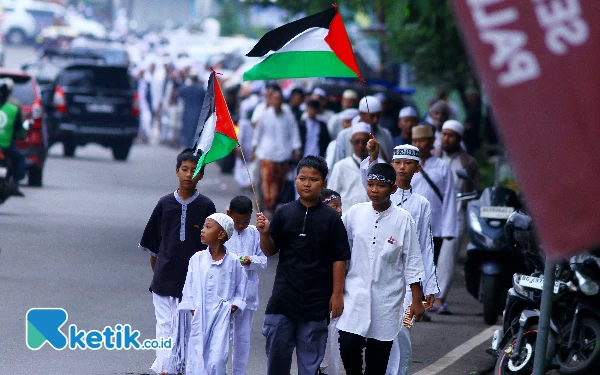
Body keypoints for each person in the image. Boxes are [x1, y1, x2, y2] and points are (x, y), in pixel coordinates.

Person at [256, 156, 351, 375]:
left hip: (316, 301)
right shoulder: (284, 212)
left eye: (313, 179)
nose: (306, 184)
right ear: (296, 179)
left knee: (310, 362)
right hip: (283, 298)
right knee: (277, 356)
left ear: (323, 184)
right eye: (302, 178)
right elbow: (270, 250)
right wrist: (264, 234)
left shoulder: (331, 219)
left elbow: (340, 257)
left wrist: (337, 295)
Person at [336, 162, 425, 375]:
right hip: (354, 294)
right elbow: (339, 254)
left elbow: (412, 260)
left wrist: (416, 300)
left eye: (381, 186)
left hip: (386, 298)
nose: (374, 190)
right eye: (371, 185)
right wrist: (335, 292)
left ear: (393, 189)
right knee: (348, 343)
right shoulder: (354, 214)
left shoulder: (403, 219)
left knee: (378, 359)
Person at [361, 141, 440, 375]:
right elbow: (368, 181)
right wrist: (373, 157)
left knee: (403, 330)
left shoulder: (422, 203)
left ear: (417, 168)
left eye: (408, 163)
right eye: (397, 162)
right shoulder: (381, 195)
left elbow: (426, 244)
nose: (402, 167)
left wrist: (430, 286)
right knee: (376, 331)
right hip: (381, 275)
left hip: (410, 281)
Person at [138, 149, 216, 374]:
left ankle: (183, 367)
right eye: (185, 169)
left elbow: (212, 248)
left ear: (202, 175)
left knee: (189, 328)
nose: (189, 174)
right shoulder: (164, 204)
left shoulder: (206, 206)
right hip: (164, 278)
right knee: (165, 327)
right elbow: (153, 247)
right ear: (176, 171)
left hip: (193, 282)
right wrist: (159, 272)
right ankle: (165, 368)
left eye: (195, 170)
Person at [178, 213, 247, 374]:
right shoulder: (197, 259)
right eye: (203, 226)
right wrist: (193, 307)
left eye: (208, 227)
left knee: (217, 358)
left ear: (221, 234)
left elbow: (241, 286)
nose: (202, 230)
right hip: (199, 314)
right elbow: (188, 286)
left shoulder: (233, 261)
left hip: (221, 316)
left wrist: (234, 306)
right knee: (197, 356)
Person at [433, 120, 480, 314]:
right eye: (444, 134)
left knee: (447, 257)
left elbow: (474, 191)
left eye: (451, 135)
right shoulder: (434, 157)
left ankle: (439, 298)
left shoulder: (468, 162)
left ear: (459, 138)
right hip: (433, 212)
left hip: (456, 214)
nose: (446, 138)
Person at [410, 125, 457, 313]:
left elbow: (450, 199)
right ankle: (411, 304)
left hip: (434, 227)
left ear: (431, 142)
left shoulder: (442, 167)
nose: (418, 144)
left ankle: (420, 305)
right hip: (410, 224)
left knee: (428, 266)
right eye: (415, 141)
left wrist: (449, 230)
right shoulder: (405, 165)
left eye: (422, 140)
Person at [224, 196, 268, 375]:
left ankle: (239, 372)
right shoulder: (222, 231)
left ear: (251, 216)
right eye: (237, 221)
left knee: (242, 338)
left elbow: (264, 261)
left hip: (247, 292)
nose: (241, 225)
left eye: (245, 221)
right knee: (223, 335)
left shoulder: (255, 233)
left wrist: (251, 260)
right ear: (228, 214)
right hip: (225, 293)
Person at [251, 86, 302, 216]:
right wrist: (254, 148)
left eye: (279, 99)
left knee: (279, 183)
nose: (277, 101)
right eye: (275, 98)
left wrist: (296, 148)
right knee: (267, 182)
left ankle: (273, 206)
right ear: (271, 100)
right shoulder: (264, 114)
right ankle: (268, 207)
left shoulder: (288, 115)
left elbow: (294, 132)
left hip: (283, 154)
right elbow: (258, 133)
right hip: (266, 153)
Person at [318, 188, 343, 375]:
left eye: (340, 206)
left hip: (337, 294)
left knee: (334, 338)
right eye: (335, 206)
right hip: (317, 294)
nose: (340, 210)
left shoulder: (343, 229)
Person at [328, 121, 376, 209]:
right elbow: (331, 196)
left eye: (364, 141)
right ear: (351, 142)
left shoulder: (379, 164)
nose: (361, 145)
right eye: (357, 142)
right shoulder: (340, 166)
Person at [333, 96, 393, 165]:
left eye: (378, 116)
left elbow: (390, 161)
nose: (376, 120)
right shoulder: (344, 135)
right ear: (361, 114)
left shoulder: (386, 134)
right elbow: (337, 163)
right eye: (372, 116)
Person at [0, 78, 26, 196]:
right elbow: (19, 129)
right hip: (6, 147)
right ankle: (15, 183)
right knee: (20, 159)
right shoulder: (13, 107)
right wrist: (22, 136)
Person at [178, 71, 206, 148]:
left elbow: (180, 94)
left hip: (187, 112)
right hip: (197, 113)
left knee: (187, 130)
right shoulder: (201, 89)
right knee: (195, 130)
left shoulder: (186, 88)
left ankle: (187, 145)